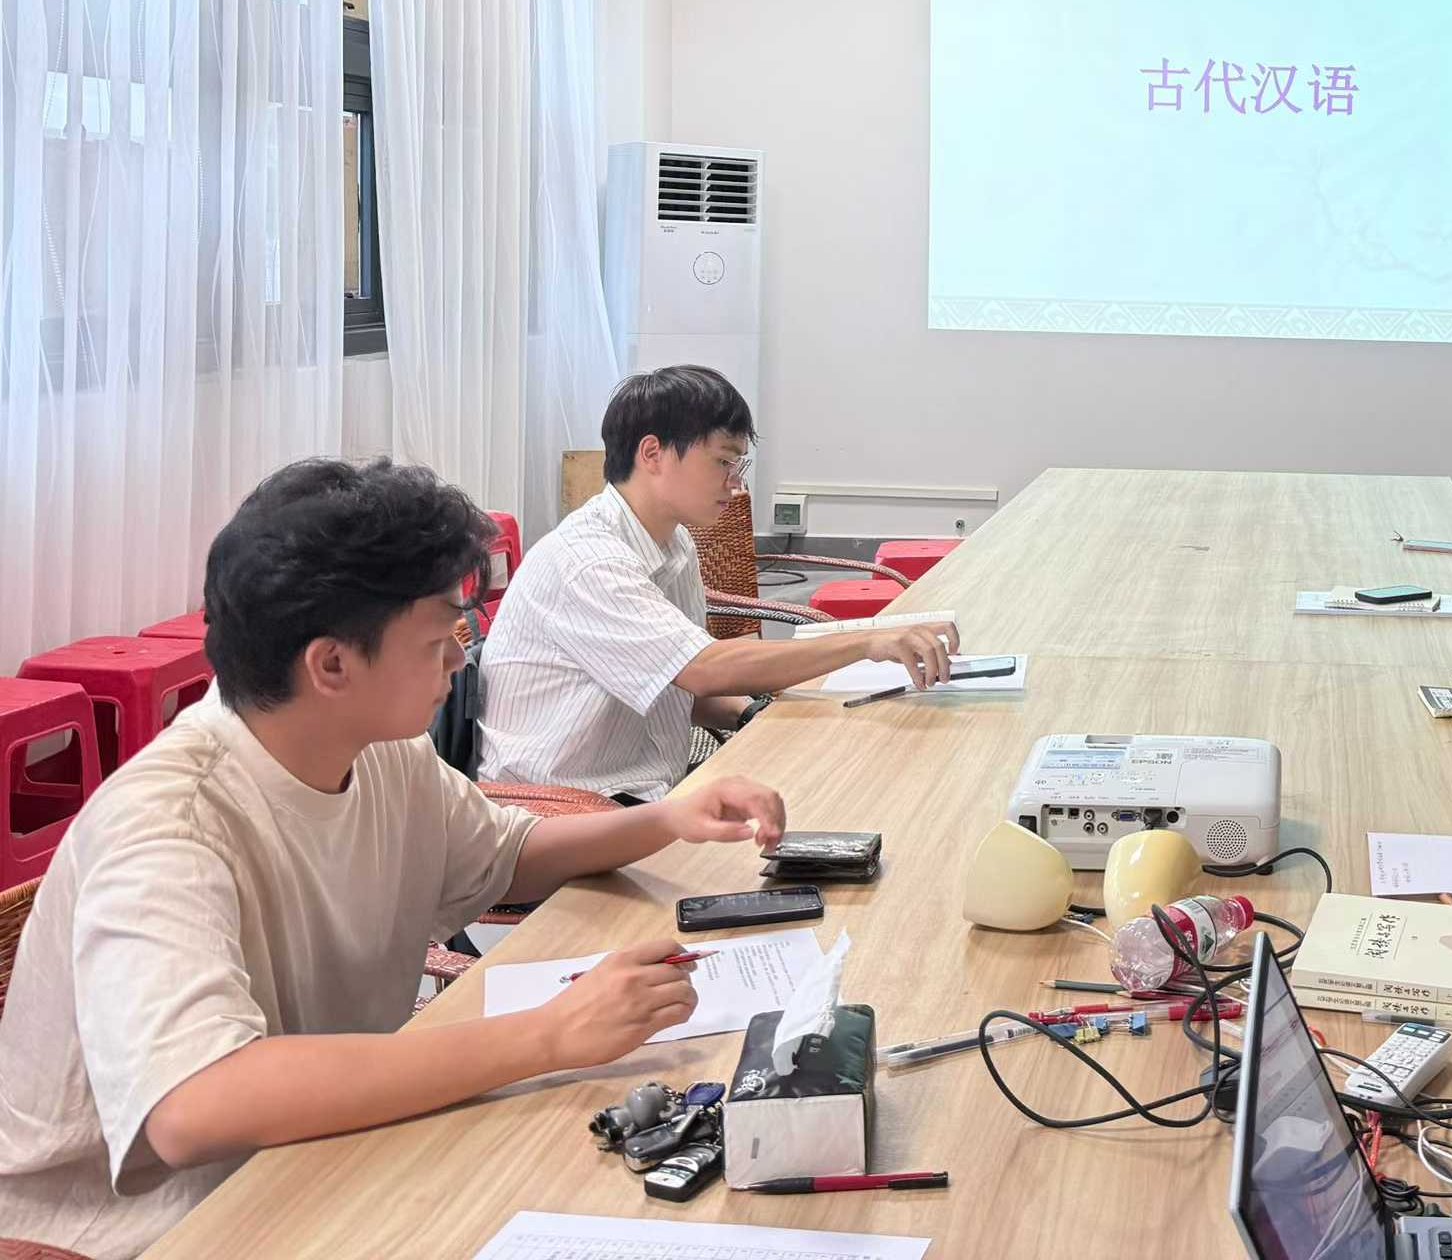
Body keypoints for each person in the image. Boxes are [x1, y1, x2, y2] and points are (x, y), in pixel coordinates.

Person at [0, 459, 790, 1260]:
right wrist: (549, 1035)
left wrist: (667, 818)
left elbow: (505, 854)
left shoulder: (376, 748)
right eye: (440, 637)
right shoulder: (167, 825)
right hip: (140, 1230)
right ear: (332, 665)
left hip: (316, 1158)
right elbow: (194, 1106)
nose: (460, 660)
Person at [478, 365, 958, 802]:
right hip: (560, 808)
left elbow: (680, 685)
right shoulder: (588, 562)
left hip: (640, 790)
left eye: (738, 465)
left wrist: (750, 715)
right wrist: (866, 641)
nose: (736, 483)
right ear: (653, 454)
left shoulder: (675, 543)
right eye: (723, 463)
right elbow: (702, 669)